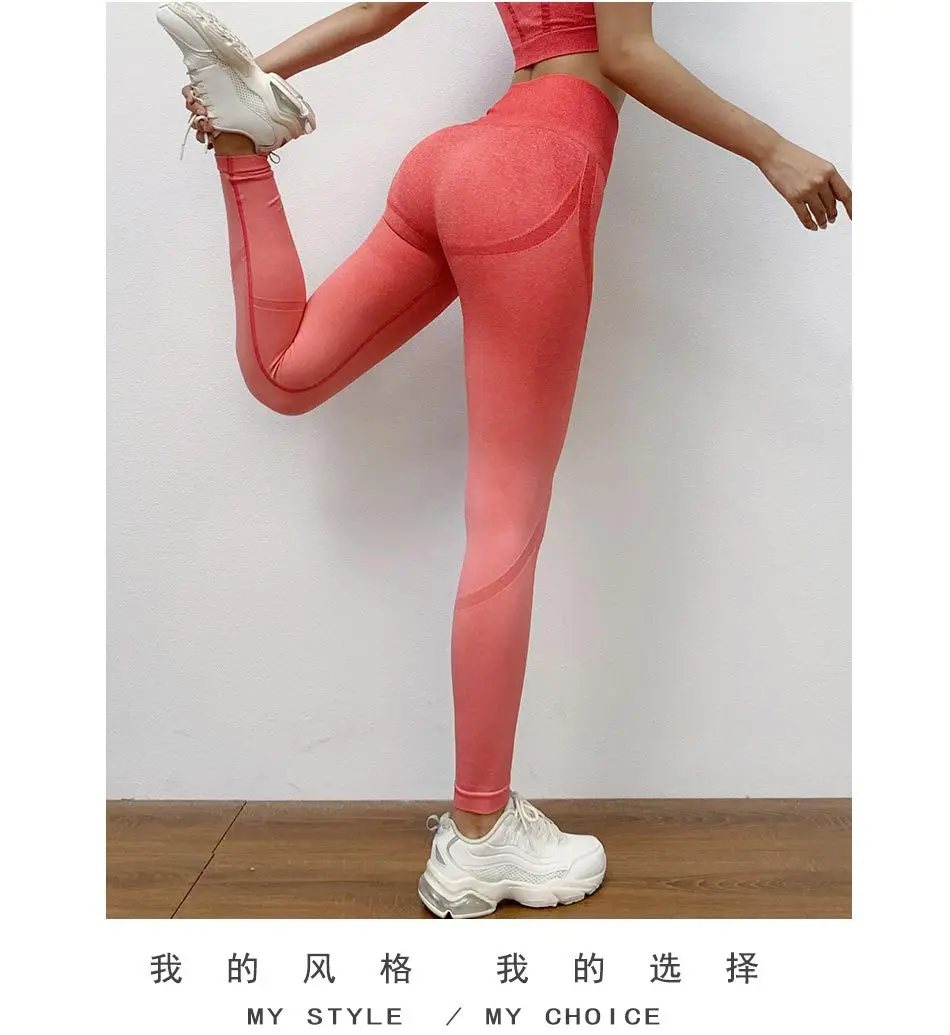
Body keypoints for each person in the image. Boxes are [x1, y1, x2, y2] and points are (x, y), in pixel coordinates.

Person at [156, 1, 851, 919]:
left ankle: (244, 149)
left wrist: (253, 78)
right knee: (506, 516)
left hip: (452, 162)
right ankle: (481, 833)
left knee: (286, 371)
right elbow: (625, 53)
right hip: (537, 175)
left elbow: (374, 11)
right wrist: (773, 148)